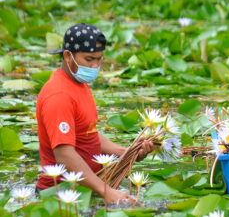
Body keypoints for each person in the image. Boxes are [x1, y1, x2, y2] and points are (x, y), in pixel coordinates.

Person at [36, 23, 154, 204]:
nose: (95, 66)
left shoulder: (79, 84)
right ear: (68, 56)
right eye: (89, 59)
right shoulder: (58, 95)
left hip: (88, 190)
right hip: (60, 197)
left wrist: (127, 152)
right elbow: (64, 153)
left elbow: (87, 133)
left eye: (99, 59)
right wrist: (105, 190)